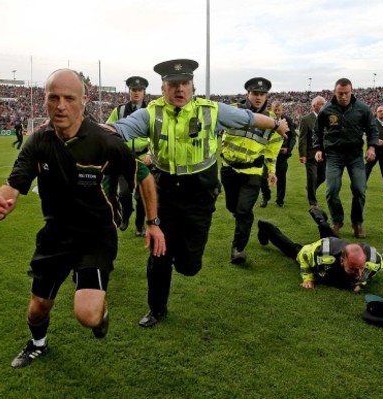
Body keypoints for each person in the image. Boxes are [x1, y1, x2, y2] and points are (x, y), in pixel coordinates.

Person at [0, 69, 166, 368]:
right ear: (44, 100)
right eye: (53, 97)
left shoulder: (105, 141)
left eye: (69, 98)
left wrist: (153, 223)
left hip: (95, 235)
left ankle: (101, 313)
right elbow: (15, 182)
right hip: (55, 235)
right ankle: (38, 344)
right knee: (37, 309)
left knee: (88, 315)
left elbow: (143, 176)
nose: (60, 105)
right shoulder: (38, 141)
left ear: (84, 101)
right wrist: (3, 200)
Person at [108, 60, 289, 327]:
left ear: (193, 86)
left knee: (189, 266)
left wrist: (276, 125)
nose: (179, 90)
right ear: (163, 88)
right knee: (159, 256)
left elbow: (249, 119)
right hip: (163, 195)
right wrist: (87, 131)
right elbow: (118, 128)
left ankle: (183, 258)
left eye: (184, 84)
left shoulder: (211, 111)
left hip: (199, 197)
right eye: (173, 85)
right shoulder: (151, 113)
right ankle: (156, 309)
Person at [221, 77, 284, 264]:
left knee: (243, 210)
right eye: (255, 93)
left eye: (262, 94)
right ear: (248, 94)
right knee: (232, 207)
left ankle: (238, 249)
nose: (258, 97)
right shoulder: (232, 110)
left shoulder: (274, 122)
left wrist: (272, 170)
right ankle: (251, 226)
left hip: (253, 172)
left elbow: (272, 150)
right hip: (229, 169)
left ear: (266, 96)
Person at [313, 78, 378, 238]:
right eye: (340, 93)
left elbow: (372, 129)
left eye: (346, 93)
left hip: (355, 155)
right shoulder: (326, 110)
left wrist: (371, 147)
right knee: (331, 190)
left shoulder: (362, 109)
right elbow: (317, 131)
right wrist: (318, 149)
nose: (343, 97)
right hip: (334, 155)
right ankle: (337, 221)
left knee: (359, 189)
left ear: (351, 91)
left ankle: (357, 223)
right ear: (334, 92)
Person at [256, 208, 383, 291]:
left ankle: (321, 219)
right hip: (326, 247)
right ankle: (265, 227)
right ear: (342, 261)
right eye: (354, 269)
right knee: (294, 250)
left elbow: (363, 276)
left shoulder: (374, 262)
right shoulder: (323, 254)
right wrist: (308, 278)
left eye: (361, 268)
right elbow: (303, 256)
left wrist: (360, 283)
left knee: (332, 239)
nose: (360, 273)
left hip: (337, 245)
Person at [107, 76, 151, 235]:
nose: (136, 93)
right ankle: (126, 214)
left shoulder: (151, 111)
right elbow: (108, 129)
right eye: (133, 90)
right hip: (124, 158)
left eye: (139, 90)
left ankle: (140, 226)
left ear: (144, 92)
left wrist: (151, 153)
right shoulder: (119, 111)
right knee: (124, 192)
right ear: (129, 92)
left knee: (142, 197)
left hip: (144, 159)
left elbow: (159, 135)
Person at [260, 100, 296, 208]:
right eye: (274, 110)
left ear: (282, 110)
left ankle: (280, 200)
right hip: (267, 155)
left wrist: (288, 149)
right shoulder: (266, 120)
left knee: (281, 176)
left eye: (278, 110)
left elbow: (293, 136)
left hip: (281, 155)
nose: (276, 112)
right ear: (271, 109)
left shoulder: (287, 120)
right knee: (263, 176)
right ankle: (265, 197)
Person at [298, 96, 327, 207]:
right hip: (311, 154)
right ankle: (313, 202)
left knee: (323, 176)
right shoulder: (306, 119)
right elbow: (302, 138)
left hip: (324, 154)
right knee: (312, 177)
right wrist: (302, 154)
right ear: (314, 106)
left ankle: (310, 187)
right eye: (321, 104)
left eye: (324, 103)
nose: (323, 106)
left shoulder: (326, 118)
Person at [365, 105, 383, 193]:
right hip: (374, 149)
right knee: (368, 168)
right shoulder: (371, 123)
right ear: (376, 113)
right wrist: (375, 140)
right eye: (380, 111)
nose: (382, 112)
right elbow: (368, 135)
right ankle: (361, 184)